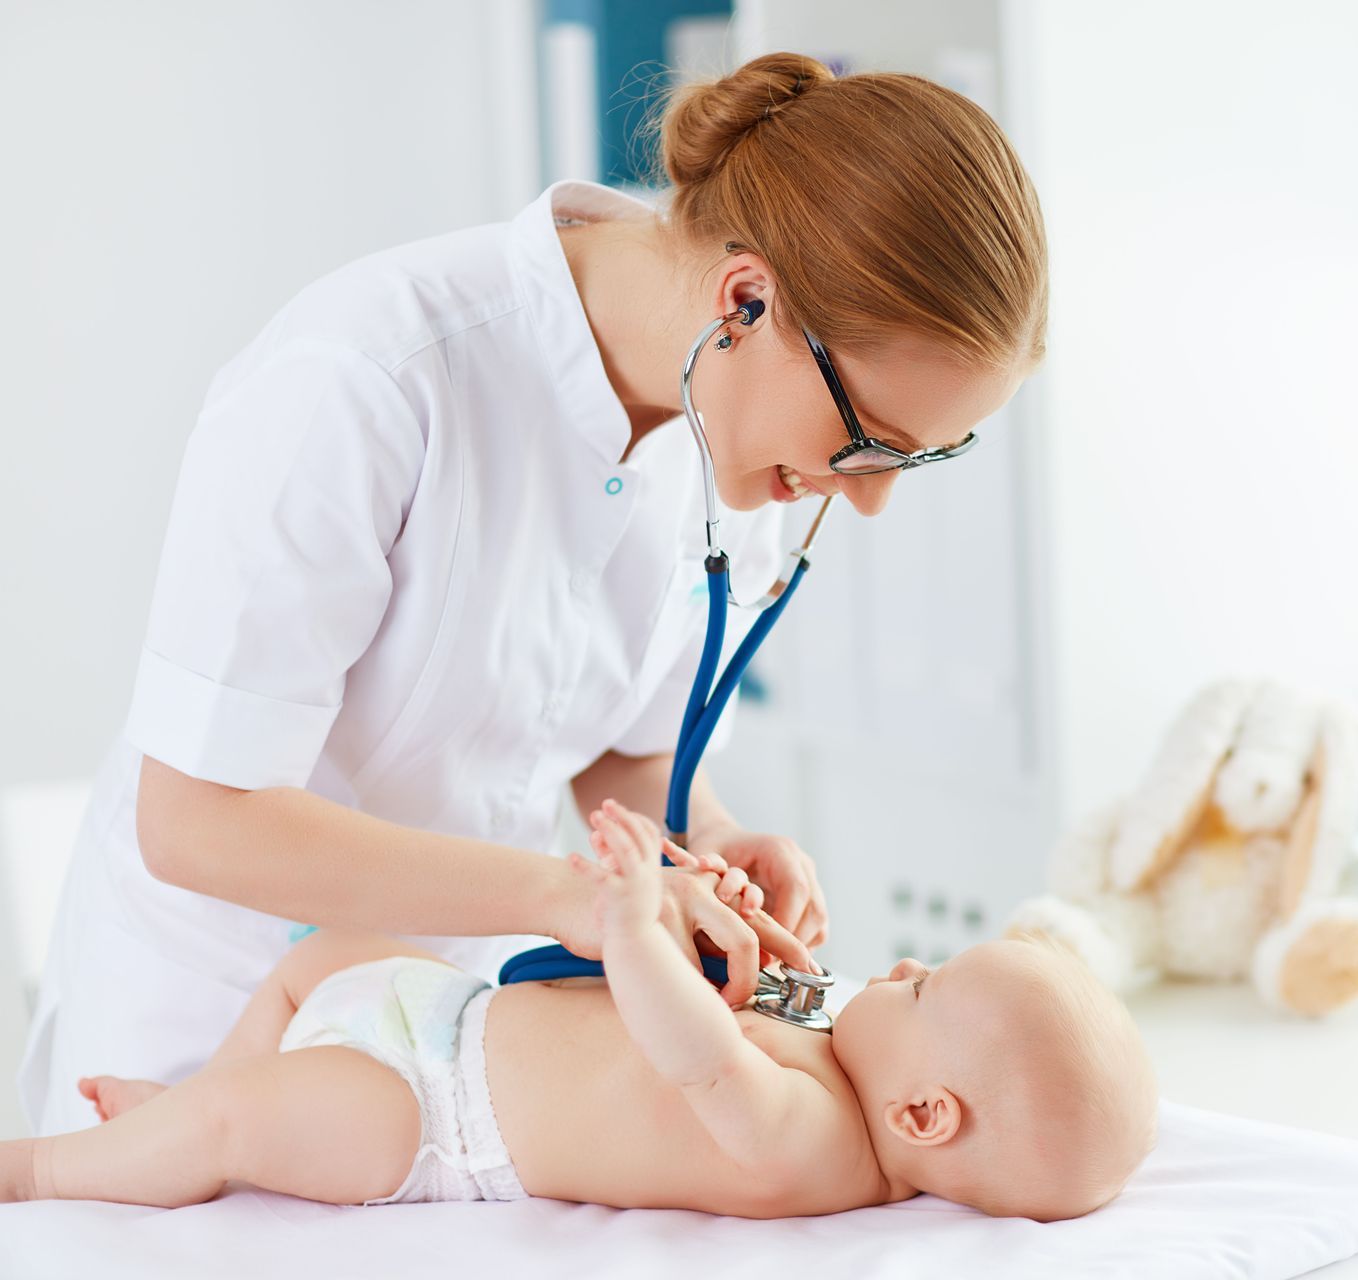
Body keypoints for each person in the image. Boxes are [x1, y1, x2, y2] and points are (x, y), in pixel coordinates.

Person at [19, 50, 1048, 1137]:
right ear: (745, 298)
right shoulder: (369, 375)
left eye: (910, 461)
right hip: (194, 1040)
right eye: (866, 445)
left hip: (432, 1052)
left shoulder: (737, 428)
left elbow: (620, 745)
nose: (868, 501)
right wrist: (569, 898)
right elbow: (197, 821)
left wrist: (709, 836)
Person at [1, 800, 1158, 1221]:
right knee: (317, 960)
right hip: (444, 1009)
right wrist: (724, 902)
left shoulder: (821, 1144)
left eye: (930, 982)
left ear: (924, 1115)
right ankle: (178, 1103)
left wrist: (638, 923)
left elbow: (699, 1055)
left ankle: (52, 1167)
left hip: (434, 1115)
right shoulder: (847, 1053)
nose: (900, 962)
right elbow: (733, 1002)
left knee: (247, 1119)